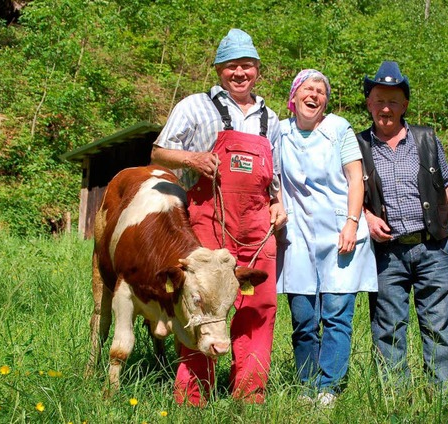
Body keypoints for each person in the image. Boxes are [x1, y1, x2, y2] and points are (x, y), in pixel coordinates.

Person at [151, 28, 287, 406]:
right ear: (218, 70)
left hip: (258, 227)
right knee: (201, 306)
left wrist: (278, 203)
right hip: (209, 225)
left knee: (259, 308)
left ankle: (249, 394)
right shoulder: (194, 106)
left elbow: (273, 178)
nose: (239, 73)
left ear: (257, 70)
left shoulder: (270, 119)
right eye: (230, 67)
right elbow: (159, 153)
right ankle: (194, 397)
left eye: (246, 66)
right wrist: (192, 159)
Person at [357, 61, 448, 398]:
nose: (385, 108)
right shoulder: (358, 145)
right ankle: (394, 399)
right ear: (369, 104)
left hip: (432, 248)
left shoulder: (426, 138)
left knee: (438, 326)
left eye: (393, 100)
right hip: (386, 253)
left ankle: (443, 401)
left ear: (404, 105)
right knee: (388, 329)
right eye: (378, 100)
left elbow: (447, 181)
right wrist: (364, 215)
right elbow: (347, 191)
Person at [276, 69, 378, 408]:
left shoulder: (338, 128)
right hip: (298, 236)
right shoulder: (280, 132)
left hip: (339, 232)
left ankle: (328, 387)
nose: (315, 95)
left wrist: (352, 222)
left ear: (325, 101)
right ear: (294, 97)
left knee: (336, 314)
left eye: (321, 91)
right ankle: (306, 384)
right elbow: (271, 179)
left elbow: (356, 179)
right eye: (308, 88)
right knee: (304, 317)